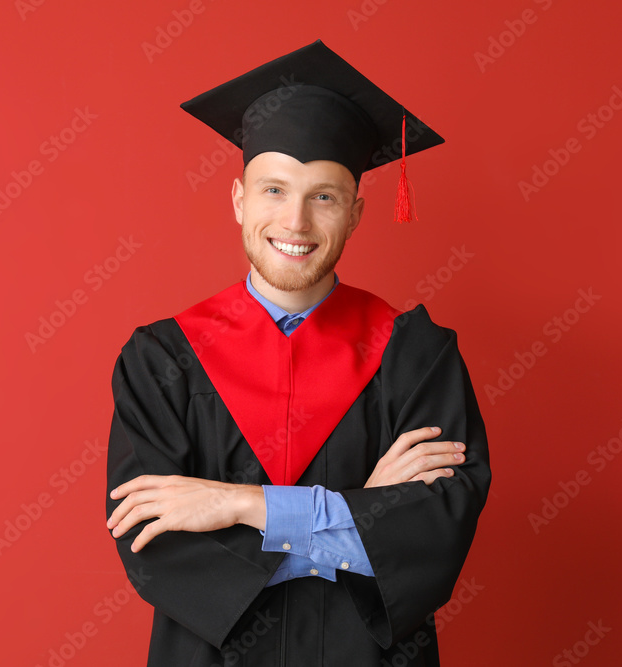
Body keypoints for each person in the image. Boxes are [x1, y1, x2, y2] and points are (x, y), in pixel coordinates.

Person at [105, 39, 491, 667]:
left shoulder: (417, 356)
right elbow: (154, 550)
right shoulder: (162, 361)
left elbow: (434, 530)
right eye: (275, 190)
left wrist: (237, 504)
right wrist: (360, 517)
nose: (296, 223)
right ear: (238, 200)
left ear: (357, 211)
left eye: (324, 196)